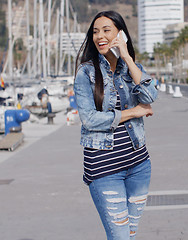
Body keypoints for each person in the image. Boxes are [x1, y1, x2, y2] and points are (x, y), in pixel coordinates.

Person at [73, 11, 157, 240]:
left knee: (129, 235)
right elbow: (89, 119)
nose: (99, 36)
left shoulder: (132, 70)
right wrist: (133, 112)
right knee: (119, 237)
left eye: (106, 30)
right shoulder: (86, 72)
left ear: (120, 35)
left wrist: (127, 58)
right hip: (104, 169)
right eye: (95, 31)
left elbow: (150, 96)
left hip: (139, 165)